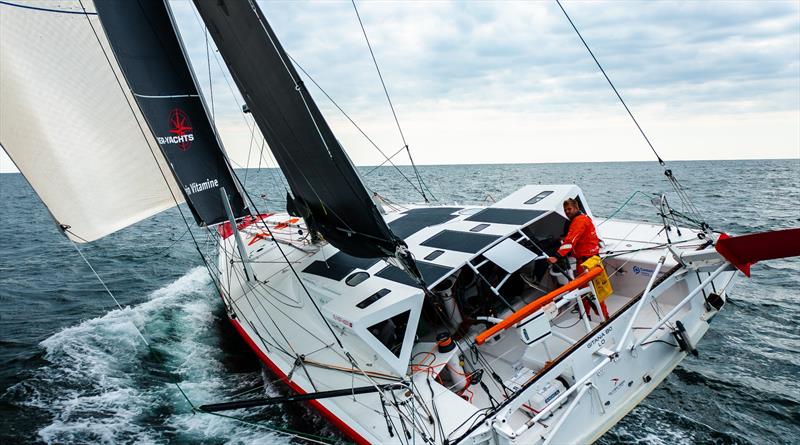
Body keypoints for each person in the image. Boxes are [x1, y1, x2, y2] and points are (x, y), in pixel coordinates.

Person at [548, 198, 607, 318]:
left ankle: (604, 317)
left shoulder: (579, 221)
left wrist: (557, 256)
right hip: (590, 260)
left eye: (569, 209)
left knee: (591, 293)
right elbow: (575, 237)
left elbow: (570, 241)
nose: (567, 212)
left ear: (576, 208)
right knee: (586, 291)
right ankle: (585, 314)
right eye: (565, 210)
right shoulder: (583, 218)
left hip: (587, 263)